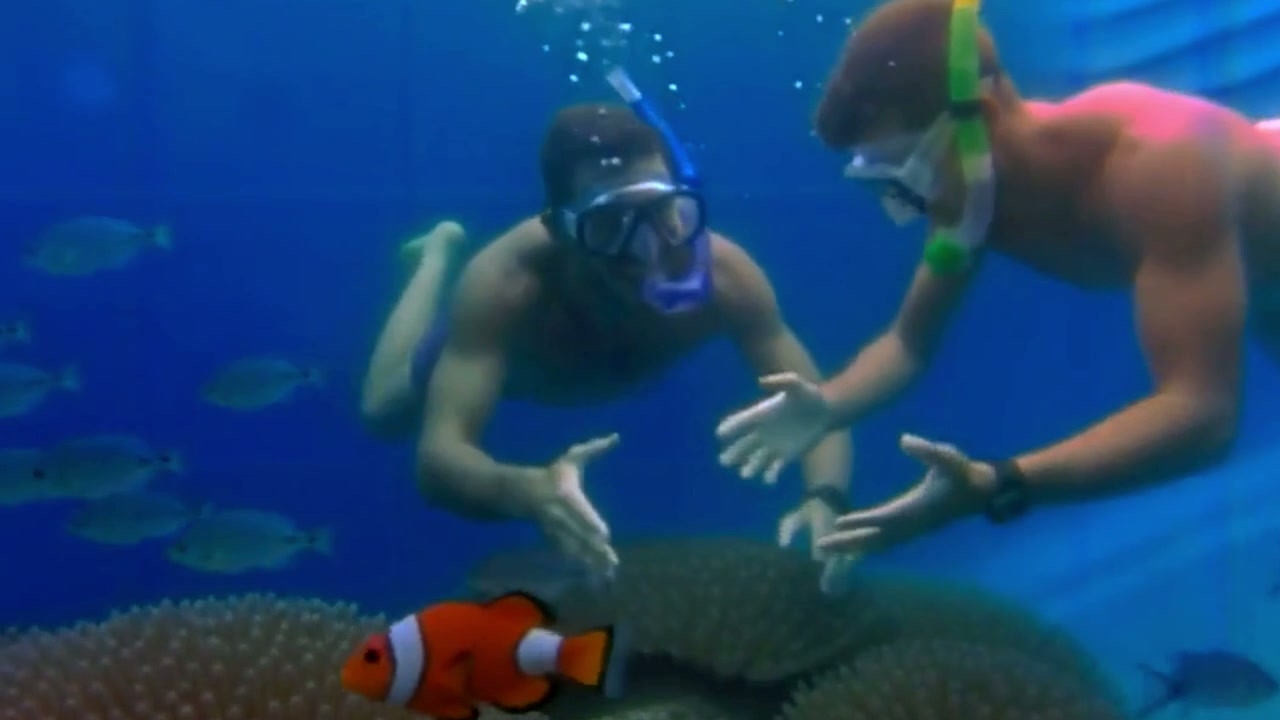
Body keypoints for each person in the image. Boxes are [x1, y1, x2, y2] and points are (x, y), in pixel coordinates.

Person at [715, 0, 1280, 558]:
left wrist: (999, 482)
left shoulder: (1161, 164)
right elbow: (908, 343)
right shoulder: (972, 199)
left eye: (908, 174)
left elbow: (1202, 414)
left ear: (981, 118)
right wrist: (827, 406)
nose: (908, 205)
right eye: (883, 185)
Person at [360, 71, 853, 589]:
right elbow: (438, 458)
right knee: (381, 411)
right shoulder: (504, 286)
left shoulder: (726, 279)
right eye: (609, 223)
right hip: (517, 368)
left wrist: (826, 497)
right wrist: (526, 491)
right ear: (560, 230)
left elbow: (820, 404)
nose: (648, 250)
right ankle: (436, 254)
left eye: (662, 213)